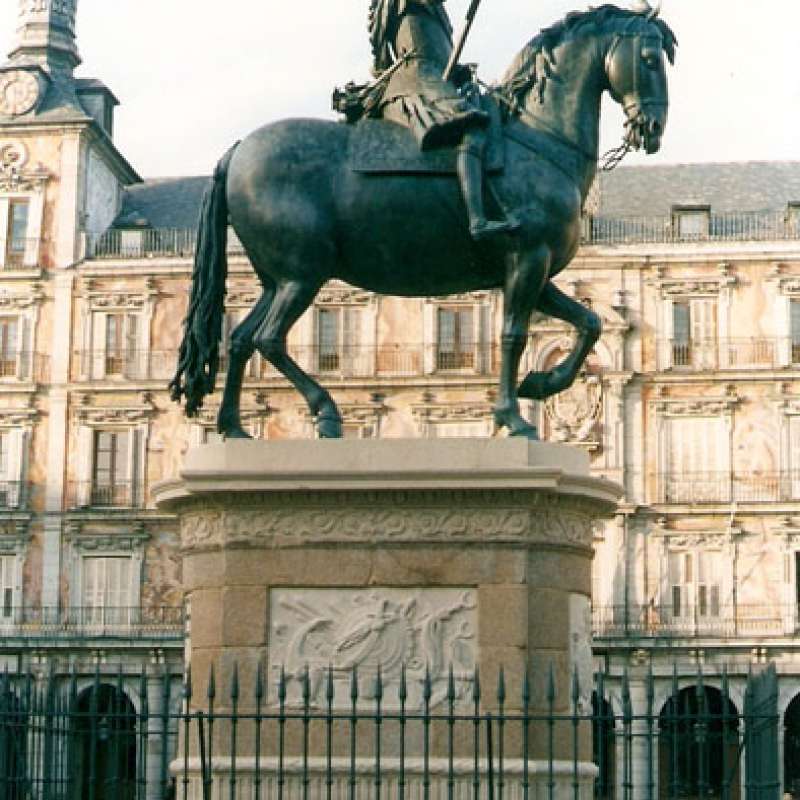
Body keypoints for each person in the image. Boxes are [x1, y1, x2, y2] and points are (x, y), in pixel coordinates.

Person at [369, 0, 518, 240]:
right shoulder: (406, 4)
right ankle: (477, 220)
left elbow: (440, 58)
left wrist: (459, 73)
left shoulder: (436, 14)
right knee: (473, 127)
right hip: (415, 82)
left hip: (434, 81)